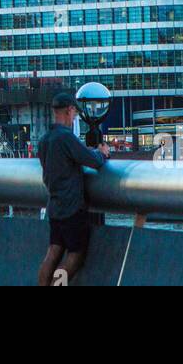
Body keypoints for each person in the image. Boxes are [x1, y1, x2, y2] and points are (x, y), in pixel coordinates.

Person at [37, 93, 110, 286]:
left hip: (54, 207)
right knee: (75, 256)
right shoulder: (66, 138)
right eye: (75, 113)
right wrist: (101, 153)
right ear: (69, 110)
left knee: (52, 253)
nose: (75, 117)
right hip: (71, 208)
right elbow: (93, 161)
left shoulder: (45, 140)